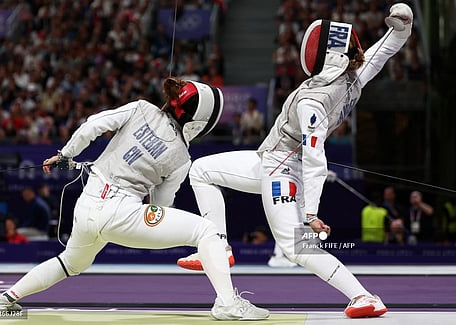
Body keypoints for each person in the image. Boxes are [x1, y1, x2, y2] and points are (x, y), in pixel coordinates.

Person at [176, 4, 414, 318]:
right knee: (202, 170)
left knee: (297, 248)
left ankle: (364, 297)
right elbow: (385, 49)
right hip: (269, 161)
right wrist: (403, 24)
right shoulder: (353, 75)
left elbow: (317, 159)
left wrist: (311, 213)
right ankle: (220, 246)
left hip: (282, 170)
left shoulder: (312, 104)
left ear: (329, 58)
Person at [0, 78, 269, 321]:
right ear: (199, 124)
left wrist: (66, 154)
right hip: (121, 213)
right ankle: (228, 304)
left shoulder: (140, 107)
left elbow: (92, 125)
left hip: (87, 204)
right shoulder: (182, 157)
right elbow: (161, 205)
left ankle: (3, 300)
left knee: (70, 263)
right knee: (207, 230)